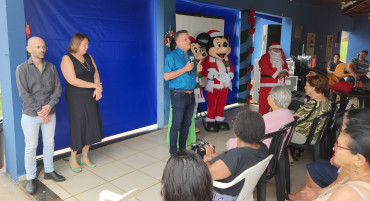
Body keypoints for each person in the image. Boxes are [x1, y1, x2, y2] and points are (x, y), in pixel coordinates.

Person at [16, 36, 65, 195]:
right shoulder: (22, 69)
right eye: (38, 47)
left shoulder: (51, 67)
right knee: (31, 146)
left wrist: (49, 106)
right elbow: (24, 94)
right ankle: (31, 178)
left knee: (50, 142)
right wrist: (40, 110)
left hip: (49, 112)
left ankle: (49, 171)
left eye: (43, 47)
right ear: (28, 49)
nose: (42, 49)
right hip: (31, 114)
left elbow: (57, 89)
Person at [295, 108, 370, 201]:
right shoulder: (354, 175)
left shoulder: (347, 193)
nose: (333, 149)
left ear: (359, 159)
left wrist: (314, 198)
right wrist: (318, 193)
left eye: (339, 146)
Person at [60, 33, 104, 173]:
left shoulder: (88, 57)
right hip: (76, 97)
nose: (87, 47)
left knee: (91, 124)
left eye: (87, 44)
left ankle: (84, 157)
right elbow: (72, 80)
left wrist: (98, 87)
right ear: (76, 44)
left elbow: (95, 73)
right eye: (84, 44)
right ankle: (73, 158)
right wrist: (94, 86)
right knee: (79, 126)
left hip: (90, 95)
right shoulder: (66, 58)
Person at [203, 110, 269, 200]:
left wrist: (207, 159)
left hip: (222, 196)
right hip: (243, 193)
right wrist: (216, 155)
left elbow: (207, 174)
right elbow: (234, 161)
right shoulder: (263, 148)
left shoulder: (236, 156)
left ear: (236, 131)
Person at [164, 30, 202, 154]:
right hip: (178, 94)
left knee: (187, 123)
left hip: (191, 94)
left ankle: (182, 149)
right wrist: (185, 68)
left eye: (189, 39)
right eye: (185, 39)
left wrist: (198, 71)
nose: (189, 41)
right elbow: (167, 76)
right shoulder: (171, 56)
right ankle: (174, 153)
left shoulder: (191, 55)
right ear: (177, 41)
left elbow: (191, 74)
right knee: (176, 124)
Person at [226, 86, 294, 151]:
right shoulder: (289, 114)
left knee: (232, 142)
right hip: (277, 150)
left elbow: (252, 133)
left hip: (262, 152)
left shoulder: (270, 117)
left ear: (273, 99)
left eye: (269, 94)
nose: (268, 96)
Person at [289, 75, 331, 163]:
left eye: (306, 85)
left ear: (313, 87)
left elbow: (291, 119)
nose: (304, 87)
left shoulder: (312, 104)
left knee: (278, 132)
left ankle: (288, 158)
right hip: (316, 135)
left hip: (305, 137)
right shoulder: (326, 102)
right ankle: (294, 152)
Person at [259, 42, 289, 115]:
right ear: (271, 49)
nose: (277, 50)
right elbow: (265, 68)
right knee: (264, 104)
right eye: (275, 49)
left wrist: (284, 72)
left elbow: (285, 66)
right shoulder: (265, 57)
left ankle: (276, 119)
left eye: (278, 49)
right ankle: (265, 120)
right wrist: (278, 75)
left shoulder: (281, 58)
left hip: (279, 86)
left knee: (277, 104)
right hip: (267, 86)